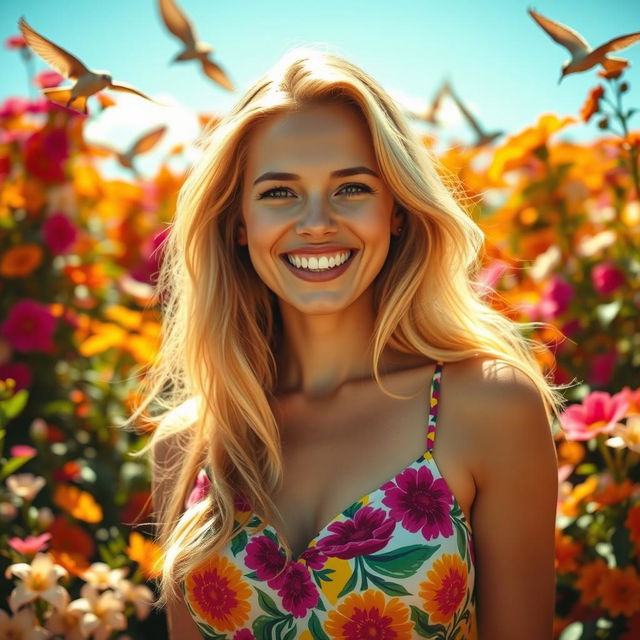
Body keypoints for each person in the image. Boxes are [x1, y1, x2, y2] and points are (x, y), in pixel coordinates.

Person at [128, 46, 568, 639]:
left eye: (352, 188)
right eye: (279, 193)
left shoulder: (488, 406)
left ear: (397, 212)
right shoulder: (189, 446)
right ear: (239, 221)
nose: (316, 221)